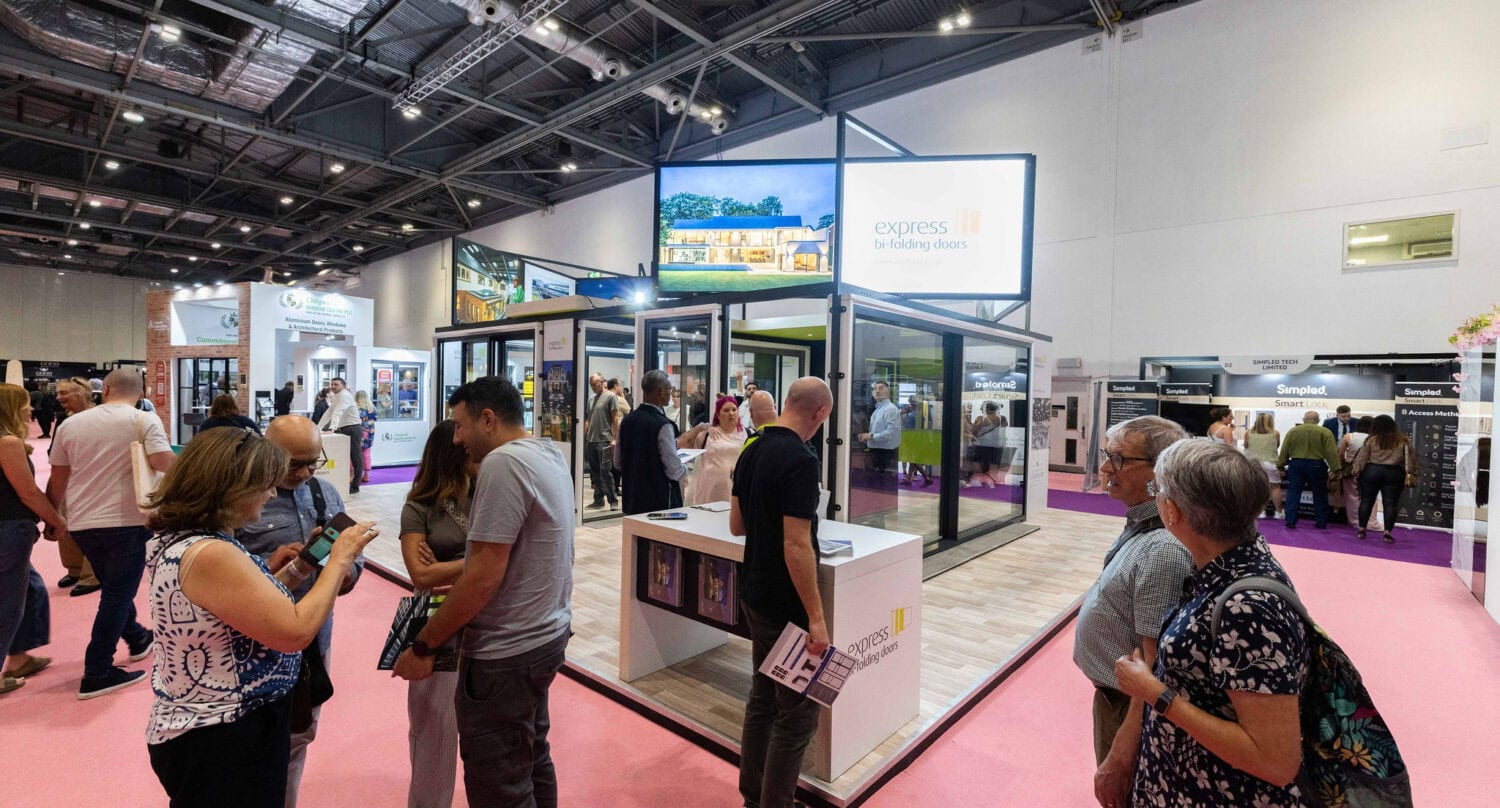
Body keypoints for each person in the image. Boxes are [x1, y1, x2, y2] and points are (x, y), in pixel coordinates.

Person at [142, 427, 377, 807]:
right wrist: (339, 559)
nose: (271, 495)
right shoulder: (210, 552)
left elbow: (234, 610)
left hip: (227, 727)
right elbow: (294, 631)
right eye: (266, 485)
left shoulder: (191, 539)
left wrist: (295, 571)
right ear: (233, 489)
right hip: (225, 734)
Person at [393, 376, 575, 808]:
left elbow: (483, 575)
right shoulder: (549, 452)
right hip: (545, 637)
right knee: (531, 760)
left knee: (501, 786)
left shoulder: (503, 464)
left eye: (459, 426)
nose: (455, 439)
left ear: (488, 419)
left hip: (505, 654)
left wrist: (424, 645)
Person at [1113, 439, 1308, 808]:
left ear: (1172, 511)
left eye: (1158, 489)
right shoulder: (1227, 564)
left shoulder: (1247, 607)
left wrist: (1154, 692)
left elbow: (1275, 760)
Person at [236, 414, 365, 806]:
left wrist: (340, 568)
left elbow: (352, 567)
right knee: (245, 750)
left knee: (298, 738)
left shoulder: (326, 494)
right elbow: (219, 566)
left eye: (314, 461)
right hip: (248, 647)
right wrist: (270, 566)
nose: (306, 471)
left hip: (311, 640)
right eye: (294, 463)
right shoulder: (238, 498)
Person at [1072, 415, 1193, 807]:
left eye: (1119, 459)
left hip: (1131, 711)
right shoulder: (1146, 526)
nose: (1106, 468)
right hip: (1117, 699)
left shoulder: (1163, 548)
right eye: (1108, 456)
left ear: (1159, 471)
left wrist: (1121, 757)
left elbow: (1155, 671)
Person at [729, 377, 834, 808]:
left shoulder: (751, 448)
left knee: (761, 699)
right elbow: (796, 544)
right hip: (785, 603)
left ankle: (753, 795)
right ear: (821, 413)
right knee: (796, 715)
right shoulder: (801, 458)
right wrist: (816, 617)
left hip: (753, 591)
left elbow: (737, 525)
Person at [46, 369, 174, 698]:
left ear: (105, 390)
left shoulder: (70, 425)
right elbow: (162, 461)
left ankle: (137, 637)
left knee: (114, 590)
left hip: (83, 524)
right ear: (141, 391)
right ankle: (97, 672)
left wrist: (50, 517)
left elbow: (57, 478)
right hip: (128, 521)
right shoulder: (143, 420)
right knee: (117, 595)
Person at [399, 420, 475, 808]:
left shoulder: (489, 492)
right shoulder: (419, 504)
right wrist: (483, 561)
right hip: (432, 619)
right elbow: (421, 574)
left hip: (484, 618)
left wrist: (460, 563)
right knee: (433, 730)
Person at [0, 384, 66, 695]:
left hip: (9, 530)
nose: (30, 411)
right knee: (9, 605)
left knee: (32, 587)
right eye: (25, 405)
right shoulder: (8, 442)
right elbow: (27, 492)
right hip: (10, 529)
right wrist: (56, 521)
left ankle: (19, 656)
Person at [616, 370, 707, 515]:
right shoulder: (663, 425)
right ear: (661, 392)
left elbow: (618, 462)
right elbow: (673, 470)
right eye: (670, 390)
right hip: (659, 503)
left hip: (632, 500)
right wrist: (683, 466)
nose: (671, 394)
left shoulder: (627, 420)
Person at [49, 377, 100, 594]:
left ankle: (92, 575)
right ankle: (74, 569)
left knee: (92, 528)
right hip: (66, 478)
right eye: (58, 393)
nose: (59, 397)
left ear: (82, 393)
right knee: (66, 525)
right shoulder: (64, 420)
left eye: (64, 393)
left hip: (93, 480)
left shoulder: (100, 417)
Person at [1352, 414, 1419, 544]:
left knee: (1366, 501)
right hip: (1394, 473)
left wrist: (1356, 471)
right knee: (1390, 504)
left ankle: (1362, 529)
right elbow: (1410, 459)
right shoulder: (1403, 440)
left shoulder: (1371, 440)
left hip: (1372, 471)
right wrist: (1411, 473)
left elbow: (1362, 458)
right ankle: (1387, 532)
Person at [1277, 411, 1342, 530]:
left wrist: (1280, 465)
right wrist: (1336, 469)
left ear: (1303, 419)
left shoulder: (1293, 431)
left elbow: (1284, 449)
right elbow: (1331, 453)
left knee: (1293, 492)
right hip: (1317, 465)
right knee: (1320, 494)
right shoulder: (1325, 432)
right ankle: (1321, 522)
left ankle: (1290, 521)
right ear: (1318, 420)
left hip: (1296, 464)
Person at [687, 396, 747, 506]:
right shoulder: (708, 434)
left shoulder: (748, 433)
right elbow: (682, 446)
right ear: (718, 414)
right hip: (708, 492)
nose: (731, 413)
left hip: (735, 490)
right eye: (726, 410)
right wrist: (699, 428)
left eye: (734, 409)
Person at [316, 377, 364, 494]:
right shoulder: (337, 396)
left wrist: (332, 428)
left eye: (336, 384)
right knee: (344, 456)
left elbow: (338, 411)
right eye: (331, 384)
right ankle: (342, 482)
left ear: (343, 385)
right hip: (344, 428)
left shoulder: (344, 395)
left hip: (353, 428)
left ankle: (355, 486)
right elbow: (329, 413)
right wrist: (317, 428)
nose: (333, 386)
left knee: (355, 457)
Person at [583, 373, 621, 511]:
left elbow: (615, 418)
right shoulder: (591, 399)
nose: (593, 387)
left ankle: (613, 500)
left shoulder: (610, 397)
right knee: (595, 472)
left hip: (604, 439)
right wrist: (584, 434)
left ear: (602, 382)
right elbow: (589, 418)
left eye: (595, 384)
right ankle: (598, 500)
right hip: (591, 440)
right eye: (591, 385)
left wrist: (614, 438)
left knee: (605, 471)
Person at [857, 381, 901, 487]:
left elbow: (891, 433)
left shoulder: (890, 409)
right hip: (878, 453)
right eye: (875, 389)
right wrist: (867, 435)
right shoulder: (878, 409)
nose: (877, 391)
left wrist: (871, 436)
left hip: (885, 454)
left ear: (888, 392)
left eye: (881, 388)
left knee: (882, 487)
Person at [1339, 416, 1378, 530]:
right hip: (1370, 469)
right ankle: (1371, 522)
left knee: (1351, 496)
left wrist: (1342, 466)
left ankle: (1354, 522)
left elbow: (1341, 454)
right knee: (1370, 497)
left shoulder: (1348, 436)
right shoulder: (1375, 438)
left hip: (1351, 469)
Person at [1243, 413, 1283, 518]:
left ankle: (1259, 512)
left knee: (1255, 488)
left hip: (1253, 463)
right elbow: (1277, 446)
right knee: (1274, 488)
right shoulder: (1276, 433)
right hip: (1269, 463)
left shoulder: (1248, 433)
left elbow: (1246, 446)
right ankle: (1279, 513)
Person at [968, 401, 1007, 488]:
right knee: (994, 463)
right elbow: (1004, 428)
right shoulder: (1002, 418)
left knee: (977, 461)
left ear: (985, 409)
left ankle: (976, 481)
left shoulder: (980, 418)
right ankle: (991, 482)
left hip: (983, 444)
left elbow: (974, 431)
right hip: (997, 444)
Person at [357, 390, 377, 485]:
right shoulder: (372, 407)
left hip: (361, 431)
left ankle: (354, 475)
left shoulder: (358, 408)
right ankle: (367, 475)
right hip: (371, 431)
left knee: (356, 453)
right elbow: (376, 419)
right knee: (367, 454)